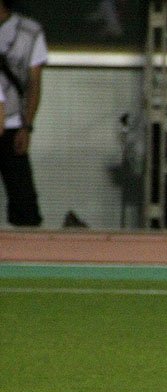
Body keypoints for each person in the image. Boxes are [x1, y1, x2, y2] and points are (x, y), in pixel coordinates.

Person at [0, 0, 46, 226]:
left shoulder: (29, 32)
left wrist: (26, 126)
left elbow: (34, 83)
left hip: (12, 125)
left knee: (24, 203)